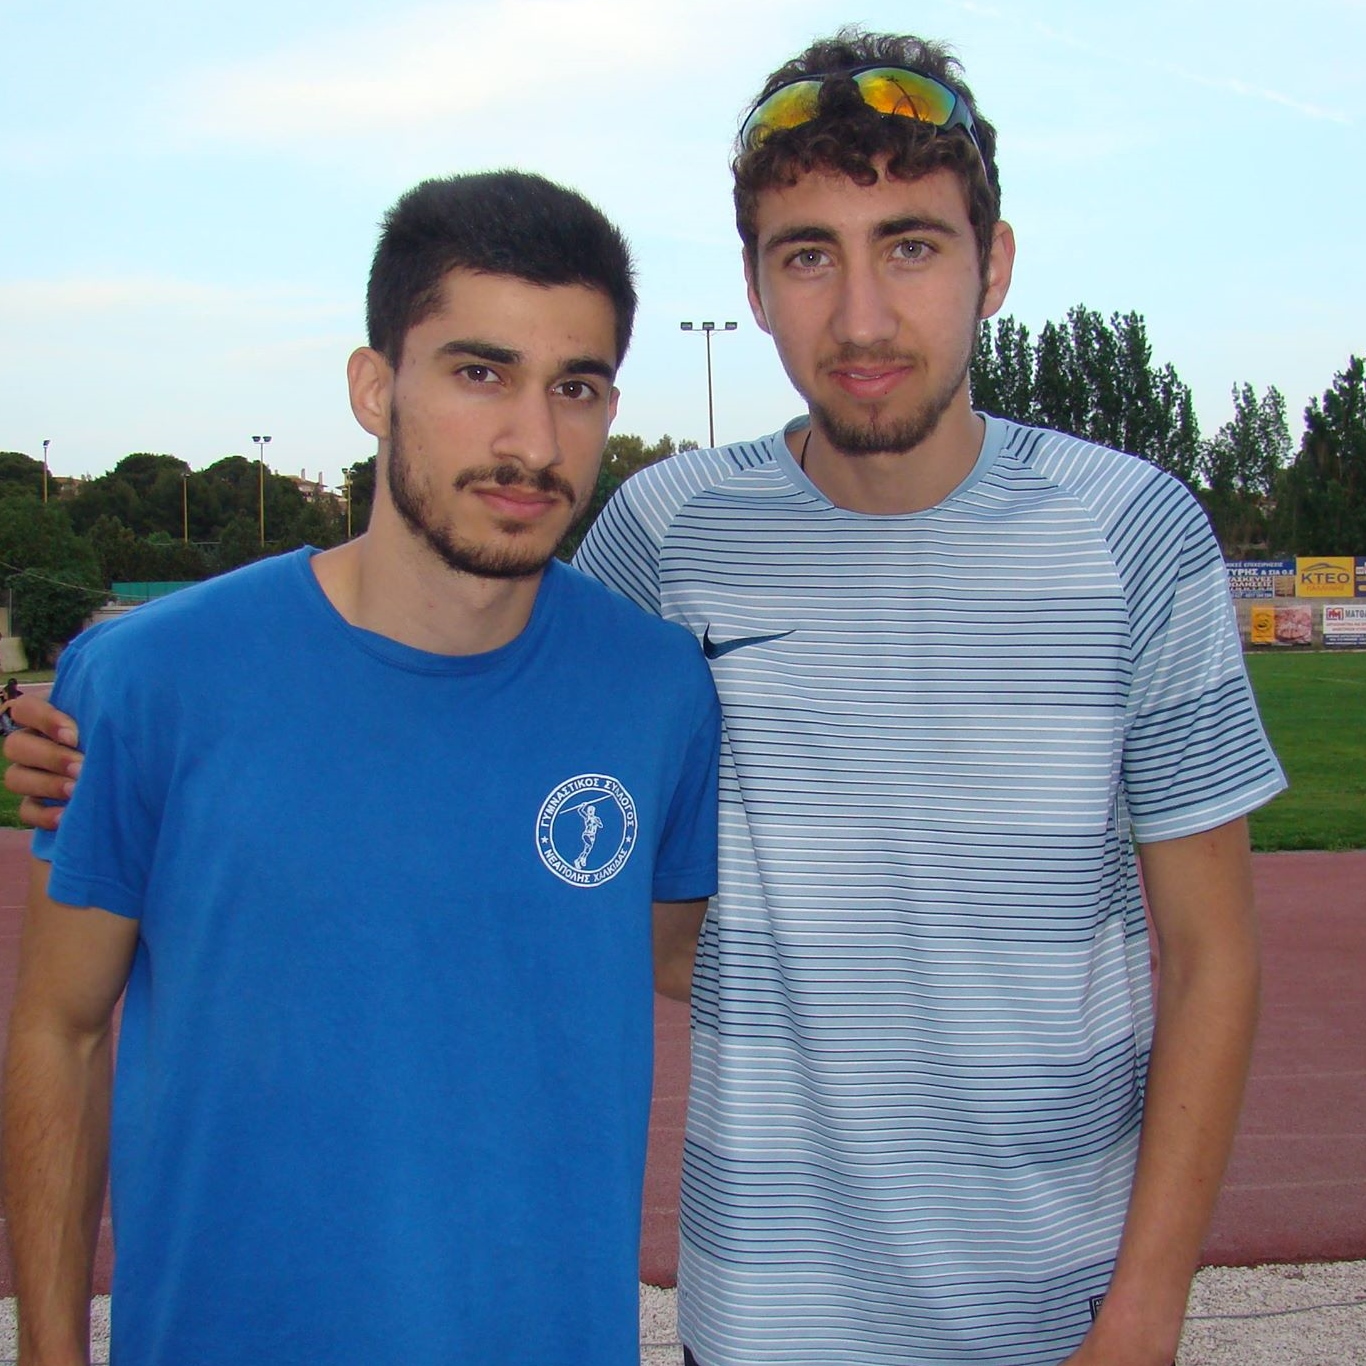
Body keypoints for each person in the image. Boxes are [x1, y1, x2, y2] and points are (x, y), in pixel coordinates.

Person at [7, 28, 1287, 1366]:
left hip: (1052, 1310)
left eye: (909, 245)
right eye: (808, 255)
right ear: (754, 286)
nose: (861, 316)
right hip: (759, 1319)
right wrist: (108, 719)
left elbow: (1211, 954)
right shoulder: (668, 532)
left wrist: (1142, 1313)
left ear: (994, 264)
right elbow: (450, 638)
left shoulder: (1132, 534)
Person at [0, 170, 720, 1366]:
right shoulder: (148, 681)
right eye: (479, 372)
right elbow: (60, 1033)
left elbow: (677, 956)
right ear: (374, 387)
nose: (532, 442)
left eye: (576, 387)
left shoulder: (657, 690)